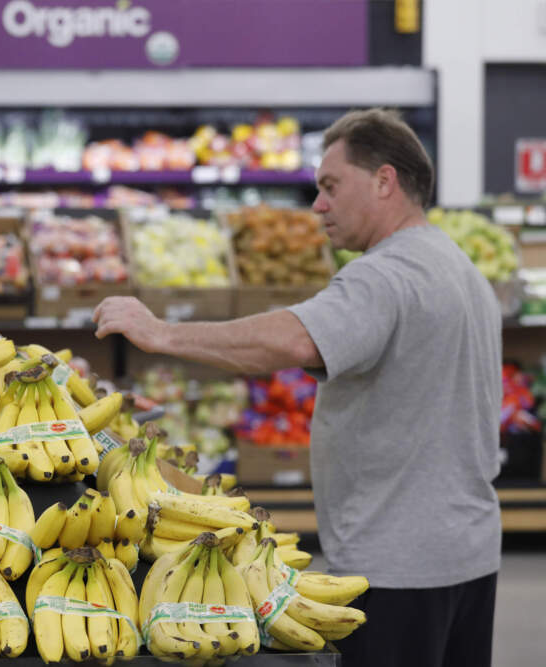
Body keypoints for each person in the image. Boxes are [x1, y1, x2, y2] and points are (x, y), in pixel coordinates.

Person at [93, 108, 501, 667]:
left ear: (384, 181)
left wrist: (161, 333)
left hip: (398, 563)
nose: (318, 206)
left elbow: (292, 341)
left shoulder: (383, 276)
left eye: (331, 187)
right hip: (471, 553)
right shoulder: (459, 266)